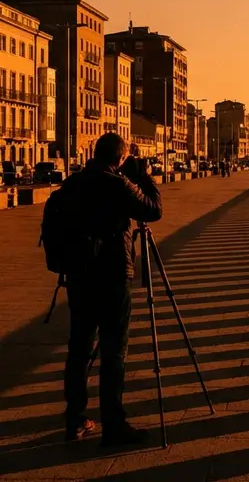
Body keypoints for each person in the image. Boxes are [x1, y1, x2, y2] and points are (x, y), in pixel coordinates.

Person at [62, 134, 162, 446]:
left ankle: (75, 419)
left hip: (78, 276)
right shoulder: (118, 184)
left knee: (79, 349)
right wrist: (142, 175)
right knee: (114, 350)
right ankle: (114, 424)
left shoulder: (74, 183)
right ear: (120, 158)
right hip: (112, 276)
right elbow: (154, 209)